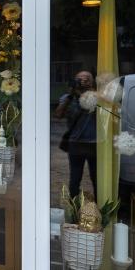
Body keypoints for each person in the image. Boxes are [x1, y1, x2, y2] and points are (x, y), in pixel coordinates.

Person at [55, 70, 98, 200]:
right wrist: (71, 95)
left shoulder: (96, 96)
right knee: (75, 177)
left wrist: (90, 92)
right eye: (80, 79)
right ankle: (73, 206)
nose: (83, 82)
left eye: (87, 79)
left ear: (92, 82)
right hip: (76, 144)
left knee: (96, 178)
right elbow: (58, 115)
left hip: (94, 143)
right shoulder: (68, 97)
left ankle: (99, 206)